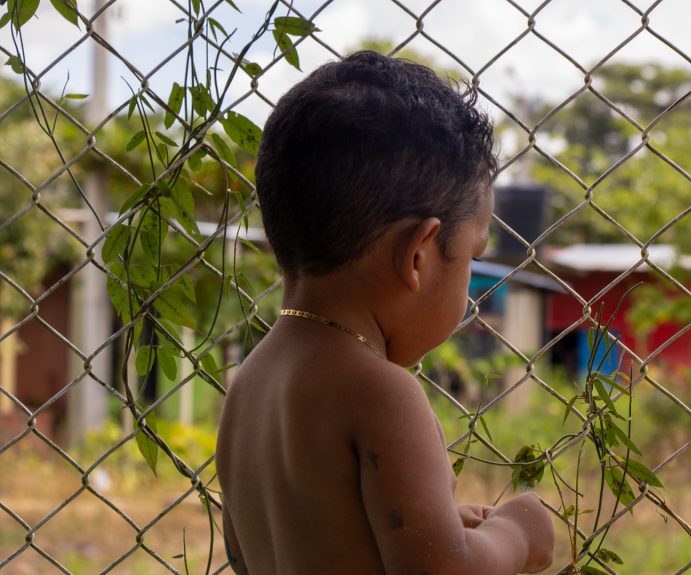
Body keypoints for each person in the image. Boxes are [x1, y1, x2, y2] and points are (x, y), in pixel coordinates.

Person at [214, 51, 555, 574]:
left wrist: (433, 528)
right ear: (419, 256)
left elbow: (257, 552)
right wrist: (517, 532)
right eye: (472, 255)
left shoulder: (250, 386)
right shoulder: (382, 393)